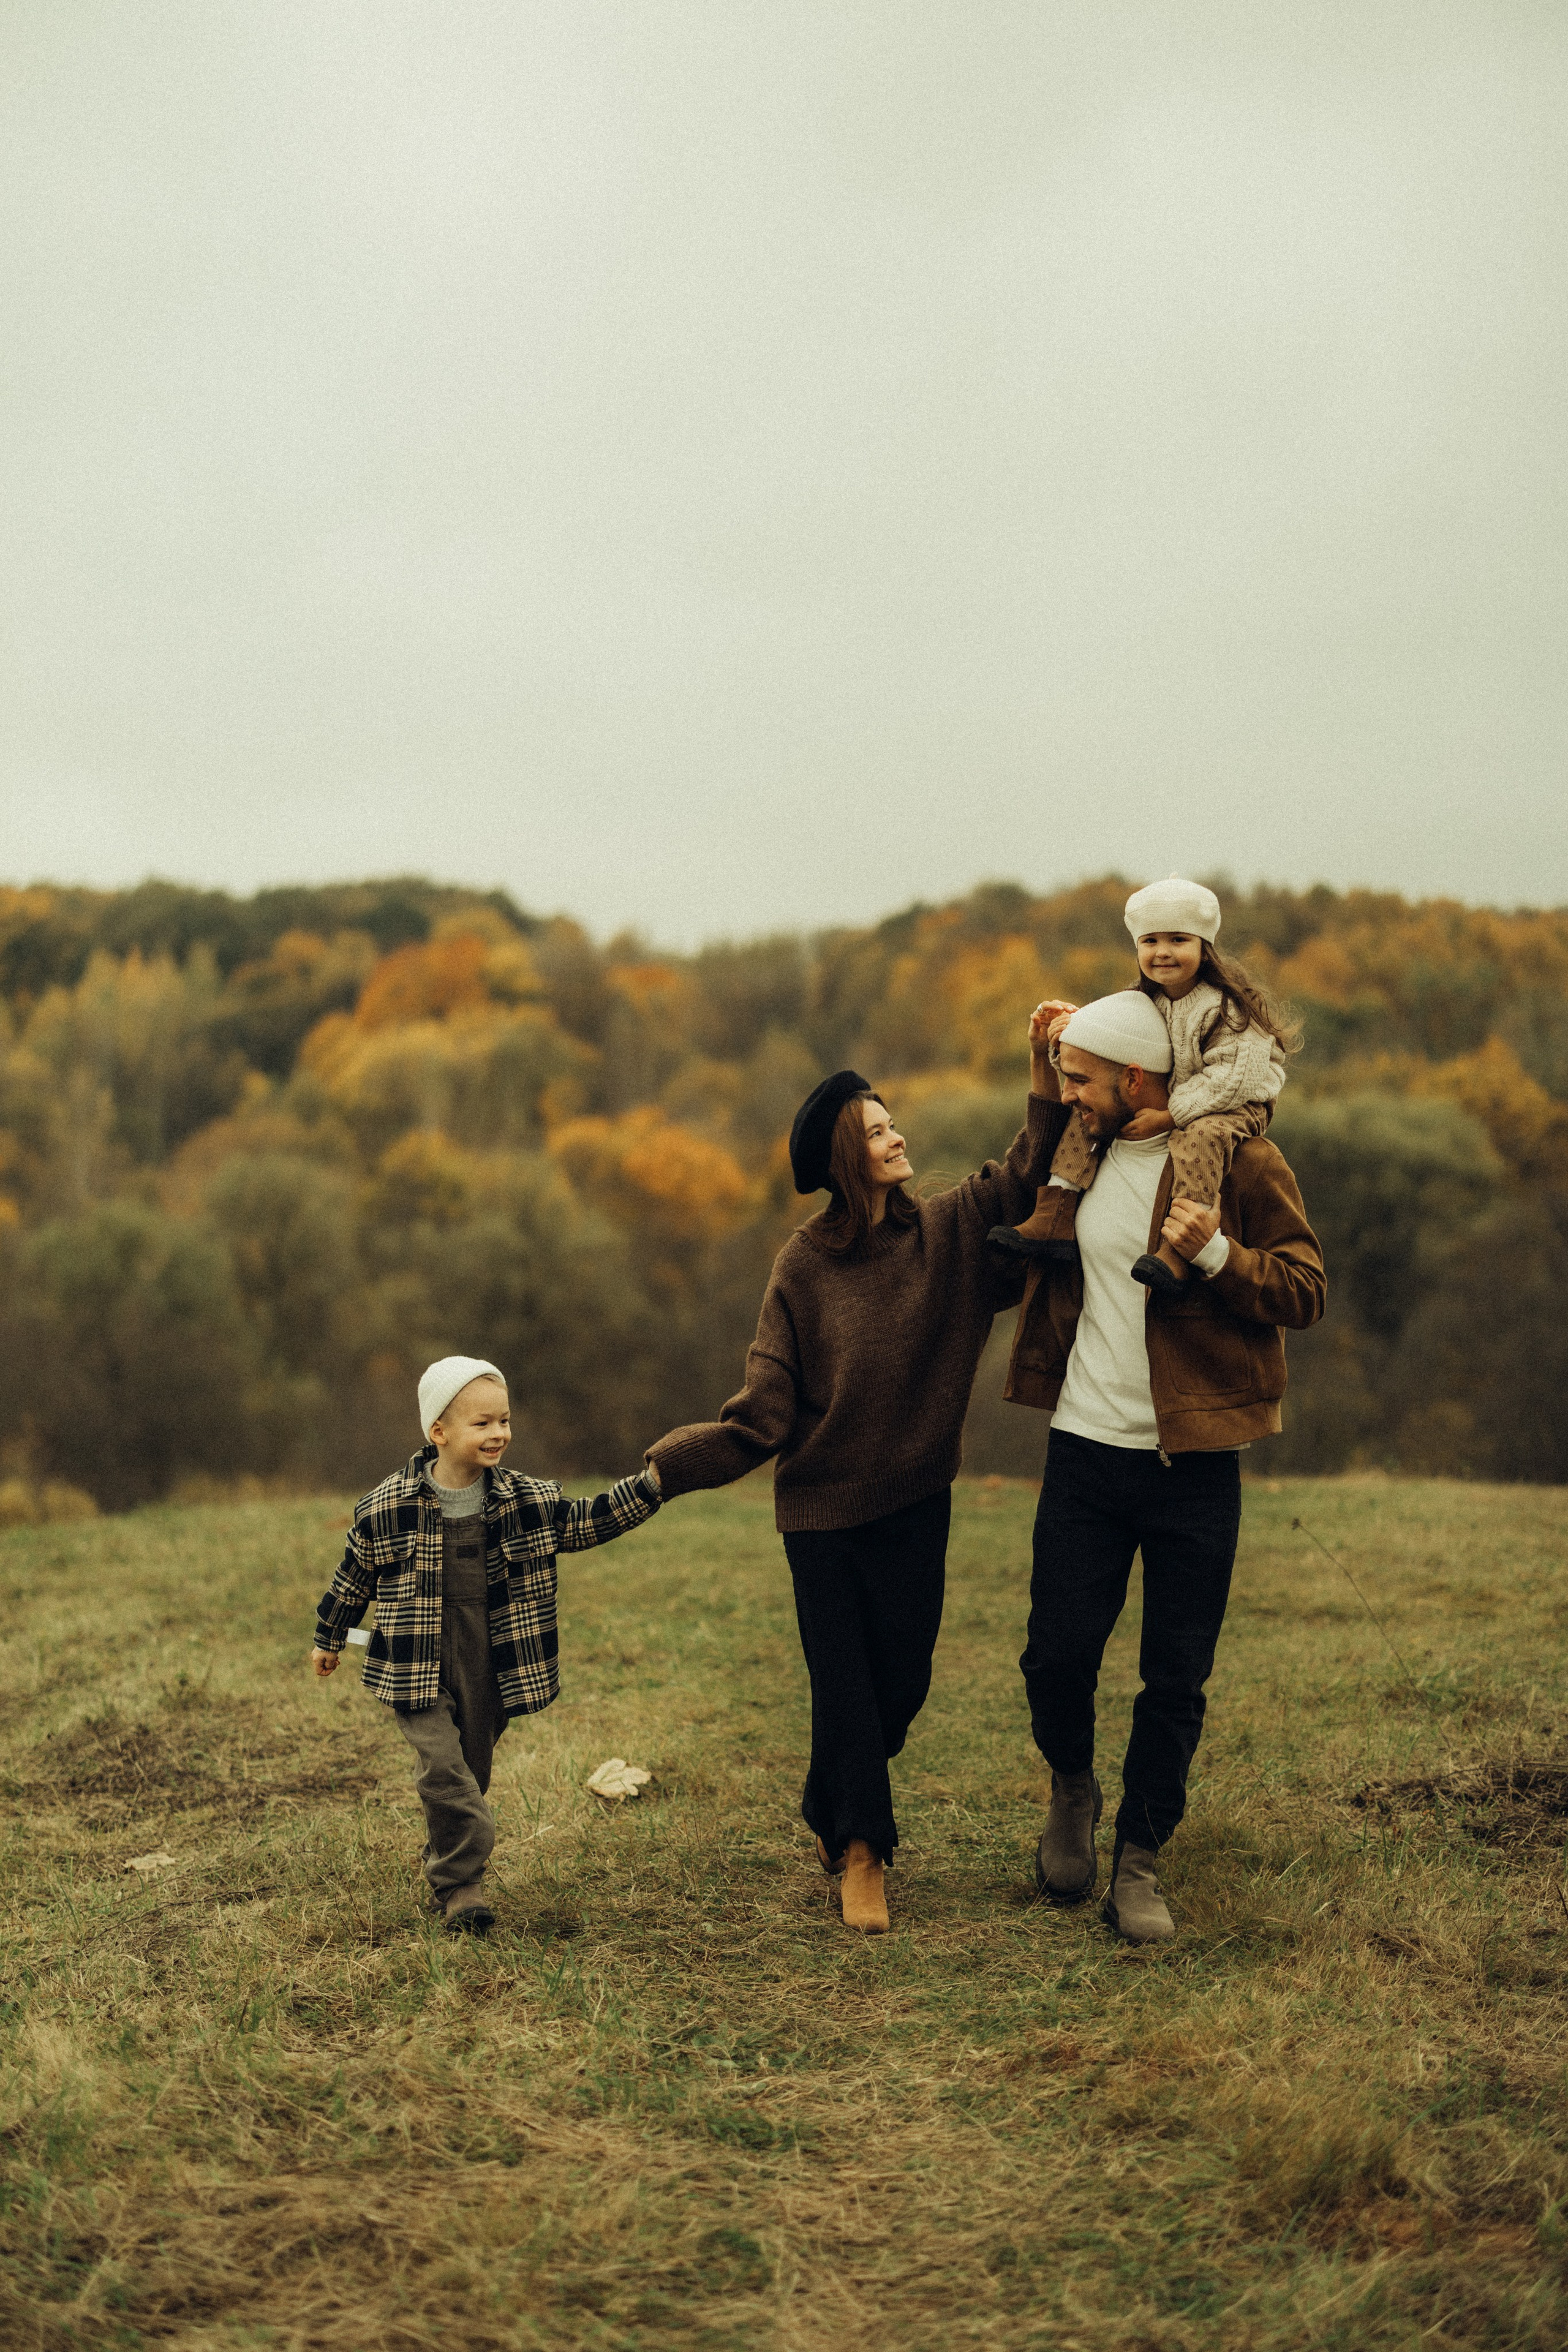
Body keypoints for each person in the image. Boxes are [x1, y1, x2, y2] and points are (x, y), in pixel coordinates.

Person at [645, 1017, 1058, 1934]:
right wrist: (664, 1473)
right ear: (845, 1155)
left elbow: (1028, 1171)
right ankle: (864, 1855)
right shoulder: (802, 1267)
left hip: (917, 1501)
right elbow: (764, 1414)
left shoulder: (947, 1235)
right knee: (845, 1688)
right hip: (822, 1517)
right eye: (876, 1130)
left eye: (892, 1121)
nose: (897, 1136)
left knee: (898, 1688)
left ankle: (828, 1798)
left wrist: (1040, 1066)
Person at [1003, 992, 1324, 1943]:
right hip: (1085, 1450)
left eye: (1082, 1081)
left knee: (1173, 1678)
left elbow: (1305, 1287)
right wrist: (1041, 1064)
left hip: (1195, 1463)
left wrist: (1219, 1252)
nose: (1070, 1095)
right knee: (1054, 1656)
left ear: (1136, 1080)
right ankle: (1072, 1787)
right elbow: (1030, 1162)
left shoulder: (1241, 1160)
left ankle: (1138, 1863)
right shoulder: (1085, 1152)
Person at [309, 1355, 662, 1934]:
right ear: (438, 1432)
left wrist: (652, 1486)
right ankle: (462, 1883)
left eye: (504, 1420)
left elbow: (590, 1521)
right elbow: (356, 1574)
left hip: (494, 1655)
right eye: (482, 1423)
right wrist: (331, 1636)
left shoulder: (527, 1501)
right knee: (442, 1768)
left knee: (471, 1769)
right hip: (412, 1657)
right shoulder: (386, 1506)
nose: (499, 1433)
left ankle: (448, 1862)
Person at [989, 878, 1296, 1294]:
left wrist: (1171, 1115)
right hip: (1182, 1098)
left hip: (1235, 1102)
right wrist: (1071, 1029)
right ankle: (1056, 1211)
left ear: (1203, 946)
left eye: (1178, 939)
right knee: (1088, 1111)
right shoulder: (1146, 999)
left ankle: (1182, 1242)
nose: (1163, 952)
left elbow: (1234, 1078)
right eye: (1150, 941)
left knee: (1199, 1137)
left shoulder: (1225, 1007)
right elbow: (1111, 1052)